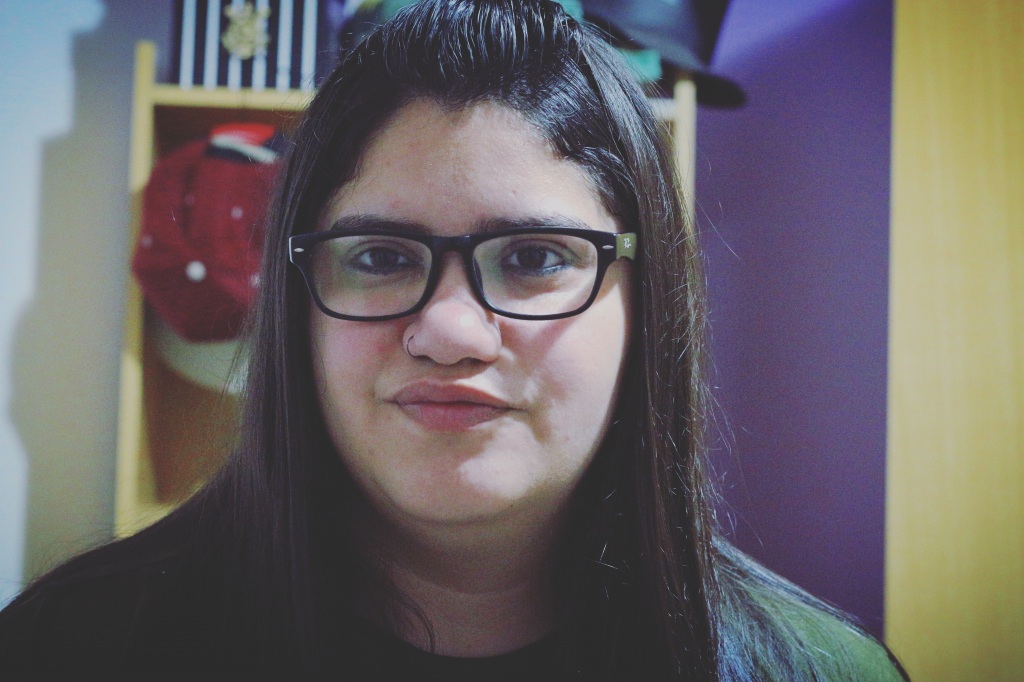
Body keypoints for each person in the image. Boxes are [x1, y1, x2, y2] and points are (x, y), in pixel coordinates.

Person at [0, 1, 908, 679]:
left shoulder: (816, 671)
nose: (448, 331)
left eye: (535, 257)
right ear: (297, 301)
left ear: (647, 299)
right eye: (380, 257)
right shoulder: (72, 649)